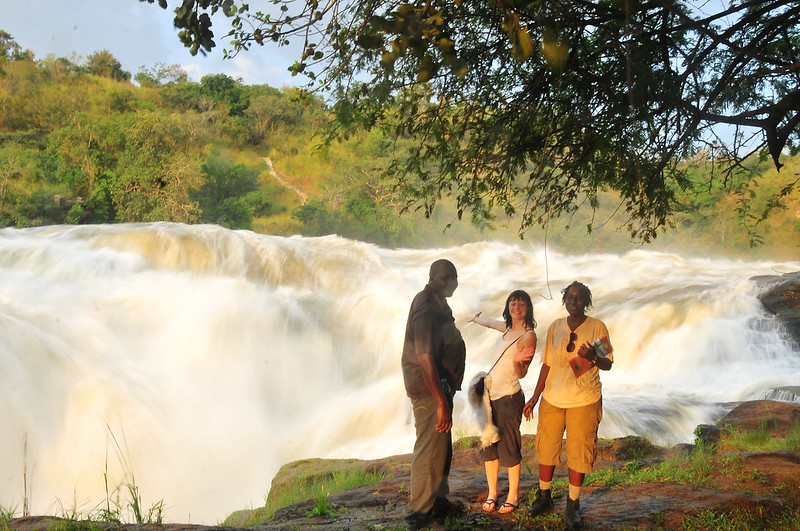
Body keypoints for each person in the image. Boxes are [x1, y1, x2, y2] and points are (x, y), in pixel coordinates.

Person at [523, 281, 613, 530]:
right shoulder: (554, 327)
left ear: (586, 302)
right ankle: (544, 497)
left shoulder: (597, 327)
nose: (574, 302)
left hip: (584, 400)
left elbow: (608, 364)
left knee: (579, 451)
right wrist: (535, 396)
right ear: (565, 301)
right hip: (553, 398)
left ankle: (573, 505)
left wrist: (592, 357)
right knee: (546, 447)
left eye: (579, 298)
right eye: (570, 298)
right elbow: (547, 364)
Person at [401, 259, 467, 530]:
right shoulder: (426, 307)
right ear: (432, 278)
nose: (451, 283)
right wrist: (440, 401)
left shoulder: (438, 300)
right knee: (429, 449)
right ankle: (419, 514)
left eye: (454, 278)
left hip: (440, 386)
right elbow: (425, 359)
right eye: (445, 278)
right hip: (429, 389)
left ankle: (438, 502)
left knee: (441, 449)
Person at [469, 290, 537, 515]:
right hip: (490, 394)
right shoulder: (508, 329)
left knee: (509, 447)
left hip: (509, 396)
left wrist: (518, 362)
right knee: (490, 446)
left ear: (528, 307)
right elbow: (492, 324)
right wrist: (477, 319)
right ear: (508, 307)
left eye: (521, 303)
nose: (516, 307)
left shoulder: (528, 335)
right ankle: (492, 493)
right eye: (512, 303)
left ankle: (513, 496)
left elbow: (522, 373)